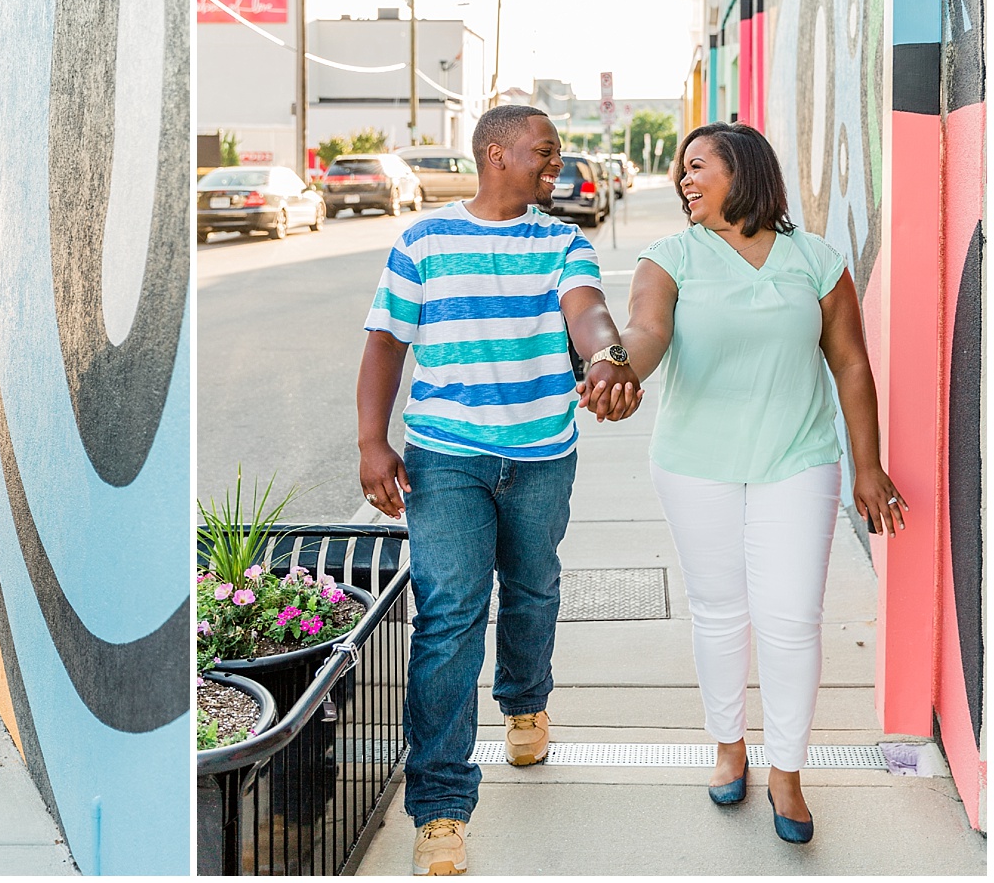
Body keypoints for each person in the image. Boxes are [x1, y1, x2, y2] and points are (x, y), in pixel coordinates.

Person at [357, 106, 642, 876]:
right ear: (495, 154)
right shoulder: (425, 240)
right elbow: (386, 341)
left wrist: (611, 357)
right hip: (446, 455)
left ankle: (523, 698)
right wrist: (372, 442)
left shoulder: (561, 241)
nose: (557, 164)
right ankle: (441, 810)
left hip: (542, 454)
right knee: (450, 615)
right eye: (544, 153)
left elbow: (588, 312)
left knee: (532, 585)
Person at [618, 122, 906, 844]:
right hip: (694, 462)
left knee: (791, 619)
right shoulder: (669, 257)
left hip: (799, 459)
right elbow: (647, 333)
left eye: (698, 166)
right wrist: (618, 365)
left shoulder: (816, 259)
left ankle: (787, 770)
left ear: (744, 170)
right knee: (719, 611)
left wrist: (867, 465)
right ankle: (727, 746)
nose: (684, 179)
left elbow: (851, 366)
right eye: (681, 170)